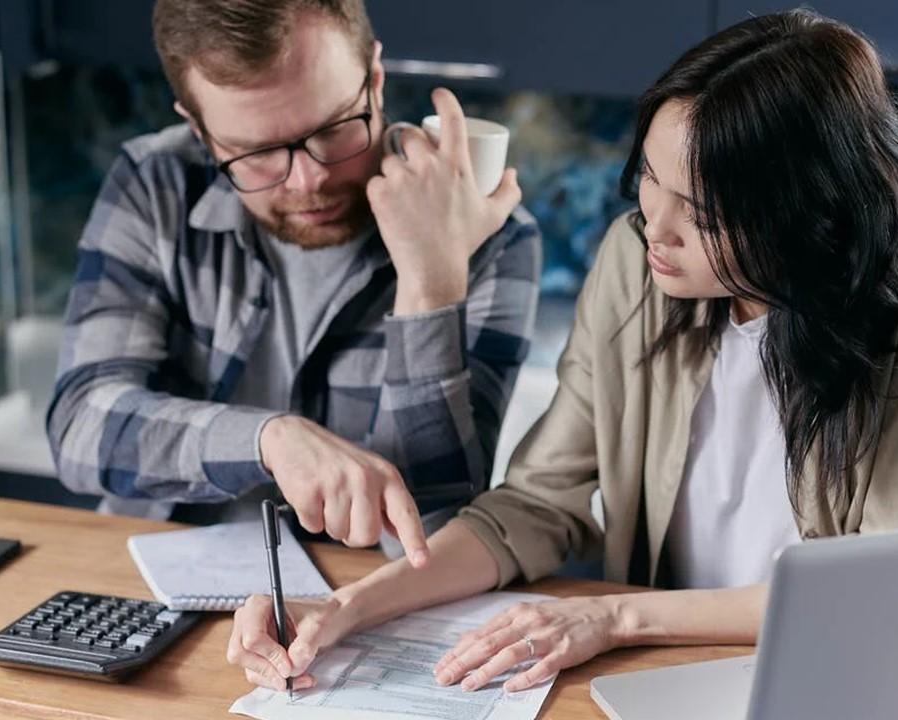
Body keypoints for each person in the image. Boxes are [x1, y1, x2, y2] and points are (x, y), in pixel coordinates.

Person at [226, 8, 898, 694]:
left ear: (803, 213)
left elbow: (881, 592)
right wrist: (348, 607)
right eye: (650, 181)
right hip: (657, 677)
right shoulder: (637, 263)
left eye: (700, 213)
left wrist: (617, 618)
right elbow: (533, 505)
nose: (653, 227)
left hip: (831, 681)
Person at [46, 0, 542, 564]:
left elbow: (434, 531)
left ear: (374, 81)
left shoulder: (489, 234)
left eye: (332, 129)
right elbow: (80, 427)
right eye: (255, 153)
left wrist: (430, 284)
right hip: (158, 572)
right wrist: (270, 441)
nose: (309, 181)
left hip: (362, 601)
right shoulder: (156, 183)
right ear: (199, 130)